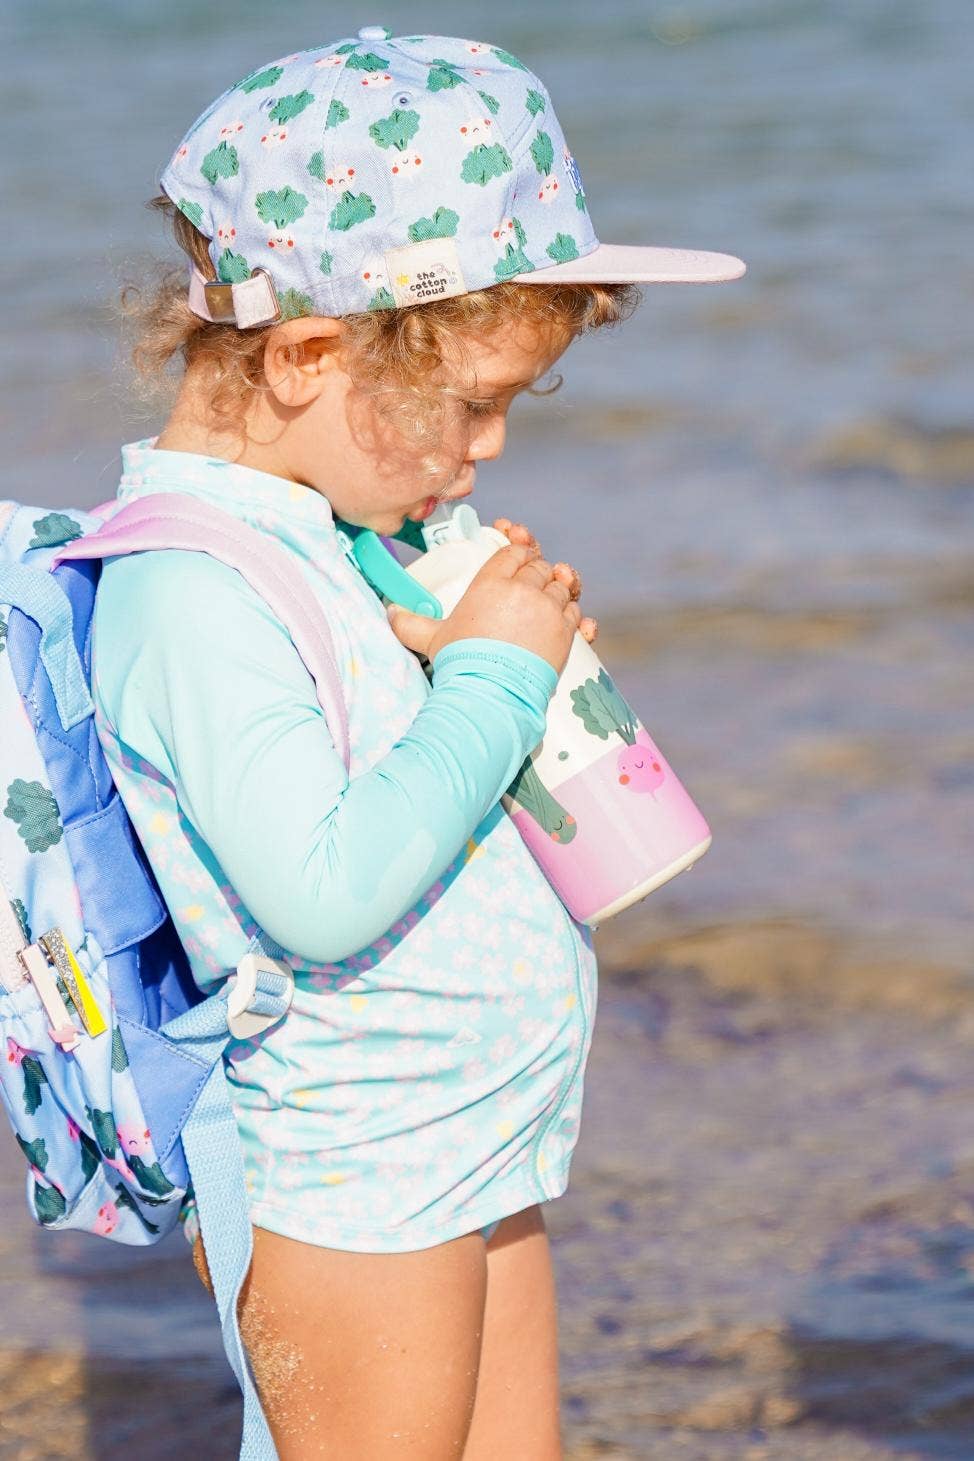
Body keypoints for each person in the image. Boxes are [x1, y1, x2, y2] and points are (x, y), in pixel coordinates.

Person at [91, 27, 744, 1459]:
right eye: (472, 403)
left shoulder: (334, 529)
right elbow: (322, 892)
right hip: (350, 1180)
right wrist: (494, 683)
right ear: (307, 356)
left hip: (466, 1137)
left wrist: (477, 650)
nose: (490, 445)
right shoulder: (189, 588)